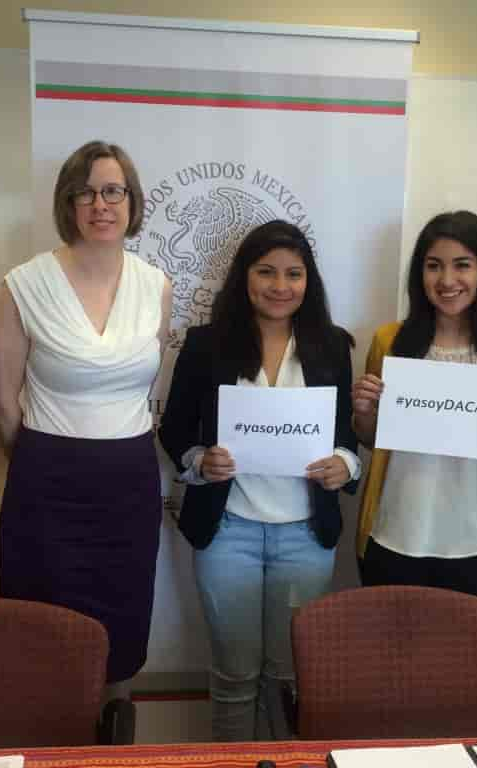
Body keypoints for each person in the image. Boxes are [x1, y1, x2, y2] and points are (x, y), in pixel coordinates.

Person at [158, 220, 359, 741]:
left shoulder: (333, 346)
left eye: (294, 274)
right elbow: (176, 426)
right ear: (244, 276)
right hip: (229, 533)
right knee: (233, 676)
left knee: (288, 677)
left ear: (308, 282)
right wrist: (201, 460)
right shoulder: (206, 345)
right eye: (266, 271)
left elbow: (345, 436)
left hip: (305, 536)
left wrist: (346, 463)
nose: (280, 285)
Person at [0, 141, 172, 699]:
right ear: (67, 203)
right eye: (85, 192)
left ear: (131, 201)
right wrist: (47, 457)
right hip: (47, 483)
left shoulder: (156, 285)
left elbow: (150, 381)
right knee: (41, 643)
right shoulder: (23, 284)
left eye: (113, 190)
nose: (100, 204)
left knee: (119, 643)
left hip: (129, 485)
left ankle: (112, 751)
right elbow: (3, 401)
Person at [352, 211, 477, 602]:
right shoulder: (390, 342)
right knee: (391, 657)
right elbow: (372, 440)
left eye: (462, 265)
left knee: (461, 661)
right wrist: (366, 411)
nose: (447, 281)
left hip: (476, 541)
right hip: (394, 532)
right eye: (433, 266)